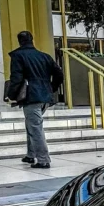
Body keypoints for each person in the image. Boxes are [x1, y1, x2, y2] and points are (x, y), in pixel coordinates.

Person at [7, 30, 63, 169]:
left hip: (31, 97)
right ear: (32, 39)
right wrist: (51, 88)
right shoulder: (44, 56)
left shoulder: (18, 56)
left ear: (19, 41)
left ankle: (43, 159)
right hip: (45, 97)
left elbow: (16, 78)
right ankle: (31, 155)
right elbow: (59, 74)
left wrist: (11, 95)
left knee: (35, 127)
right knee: (31, 124)